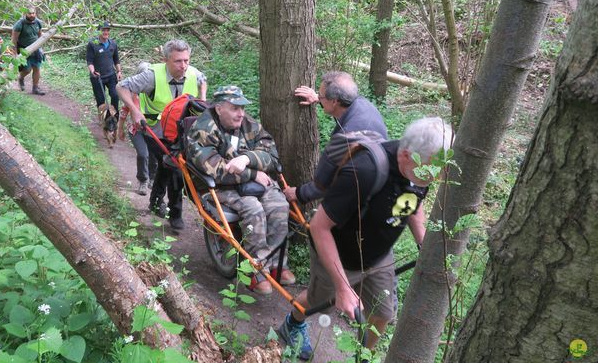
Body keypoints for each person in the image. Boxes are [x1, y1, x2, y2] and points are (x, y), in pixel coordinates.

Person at [277, 117, 453, 360]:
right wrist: (342, 287)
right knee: (319, 300)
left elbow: (414, 199)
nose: (433, 178)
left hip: (379, 255)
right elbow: (319, 227)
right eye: (428, 173)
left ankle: (363, 356)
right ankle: (292, 324)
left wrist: (422, 240)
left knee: (383, 313)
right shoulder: (365, 171)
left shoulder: (423, 169)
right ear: (404, 154)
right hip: (340, 253)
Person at [185, 86, 295, 295]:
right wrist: (253, 174)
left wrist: (247, 159)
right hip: (220, 187)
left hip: (255, 183)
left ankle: (277, 265)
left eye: (242, 107)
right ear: (219, 108)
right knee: (254, 210)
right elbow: (216, 170)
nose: (241, 113)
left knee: (280, 205)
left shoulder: (248, 124)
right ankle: (256, 271)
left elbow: (271, 156)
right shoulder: (203, 129)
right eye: (235, 108)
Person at [117, 39, 207, 230]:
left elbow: (203, 79)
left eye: (186, 60)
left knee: (167, 165)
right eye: (177, 61)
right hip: (154, 131)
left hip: (180, 131)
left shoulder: (193, 72)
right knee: (173, 166)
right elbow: (121, 87)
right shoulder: (151, 76)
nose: (183, 66)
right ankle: (175, 214)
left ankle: (156, 202)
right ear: (165, 60)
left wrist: (203, 100)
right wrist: (134, 110)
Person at [283, 71, 388, 203]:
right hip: (381, 178)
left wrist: (298, 193)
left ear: (334, 101)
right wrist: (319, 99)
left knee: (318, 224)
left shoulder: (345, 138)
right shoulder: (364, 105)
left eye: (321, 96)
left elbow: (321, 185)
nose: (318, 97)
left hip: (364, 193)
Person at [118, 62, 158, 196]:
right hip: (136, 130)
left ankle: (152, 177)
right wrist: (120, 129)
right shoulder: (131, 93)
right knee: (143, 154)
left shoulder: (155, 92)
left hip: (153, 128)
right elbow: (124, 110)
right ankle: (143, 180)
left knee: (154, 156)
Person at [86, 21, 122, 114]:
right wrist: (93, 71)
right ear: (99, 31)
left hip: (111, 75)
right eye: (103, 30)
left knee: (115, 95)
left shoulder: (113, 44)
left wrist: (118, 72)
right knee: (100, 100)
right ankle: (102, 119)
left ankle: (114, 117)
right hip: (97, 77)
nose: (106, 32)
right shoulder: (92, 44)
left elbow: (116, 60)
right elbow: (89, 61)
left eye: (107, 30)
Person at [12, 7, 46, 95]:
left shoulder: (38, 22)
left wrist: (41, 49)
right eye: (29, 13)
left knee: (37, 68)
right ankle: (21, 78)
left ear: (35, 13)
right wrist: (14, 53)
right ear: (25, 14)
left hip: (36, 49)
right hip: (23, 49)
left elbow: (40, 36)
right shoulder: (20, 24)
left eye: (33, 13)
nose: (32, 15)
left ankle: (35, 88)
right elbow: (14, 40)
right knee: (27, 69)